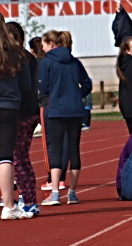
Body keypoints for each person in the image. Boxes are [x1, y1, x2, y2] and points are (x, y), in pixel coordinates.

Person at [0, 11, 34, 220]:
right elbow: (26, 85)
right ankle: (8, 206)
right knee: (5, 157)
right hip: (9, 106)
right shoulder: (16, 52)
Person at [38, 30, 92, 206]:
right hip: (75, 109)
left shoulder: (47, 62)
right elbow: (87, 84)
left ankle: (55, 193)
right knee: (74, 150)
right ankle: (72, 193)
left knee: (56, 150)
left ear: (51, 44)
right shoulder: (75, 61)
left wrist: (52, 95)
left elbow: (43, 87)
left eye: (43, 45)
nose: (42, 48)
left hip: (56, 109)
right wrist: (77, 95)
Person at [6, 22, 41, 215]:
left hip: (19, 112)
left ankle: (27, 200)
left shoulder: (15, 57)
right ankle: (27, 198)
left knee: (15, 159)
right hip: (31, 111)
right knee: (22, 157)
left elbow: (24, 85)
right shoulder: (29, 56)